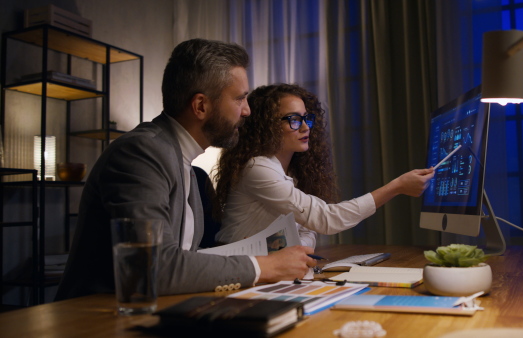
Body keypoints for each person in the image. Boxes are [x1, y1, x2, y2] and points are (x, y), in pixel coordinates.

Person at [55, 40, 316, 301]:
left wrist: (247, 254)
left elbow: (181, 257)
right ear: (200, 106)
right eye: (239, 98)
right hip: (95, 318)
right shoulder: (141, 153)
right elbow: (153, 267)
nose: (247, 110)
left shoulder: (183, 161)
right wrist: (265, 266)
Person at [214, 83, 435, 248]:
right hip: (234, 270)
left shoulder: (291, 170)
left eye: (306, 119)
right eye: (293, 119)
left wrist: (299, 251)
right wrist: (396, 187)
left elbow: (309, 228)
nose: (305, 128)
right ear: (266, 126)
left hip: (264, 269)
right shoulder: (257, 168)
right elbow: (326, 219)